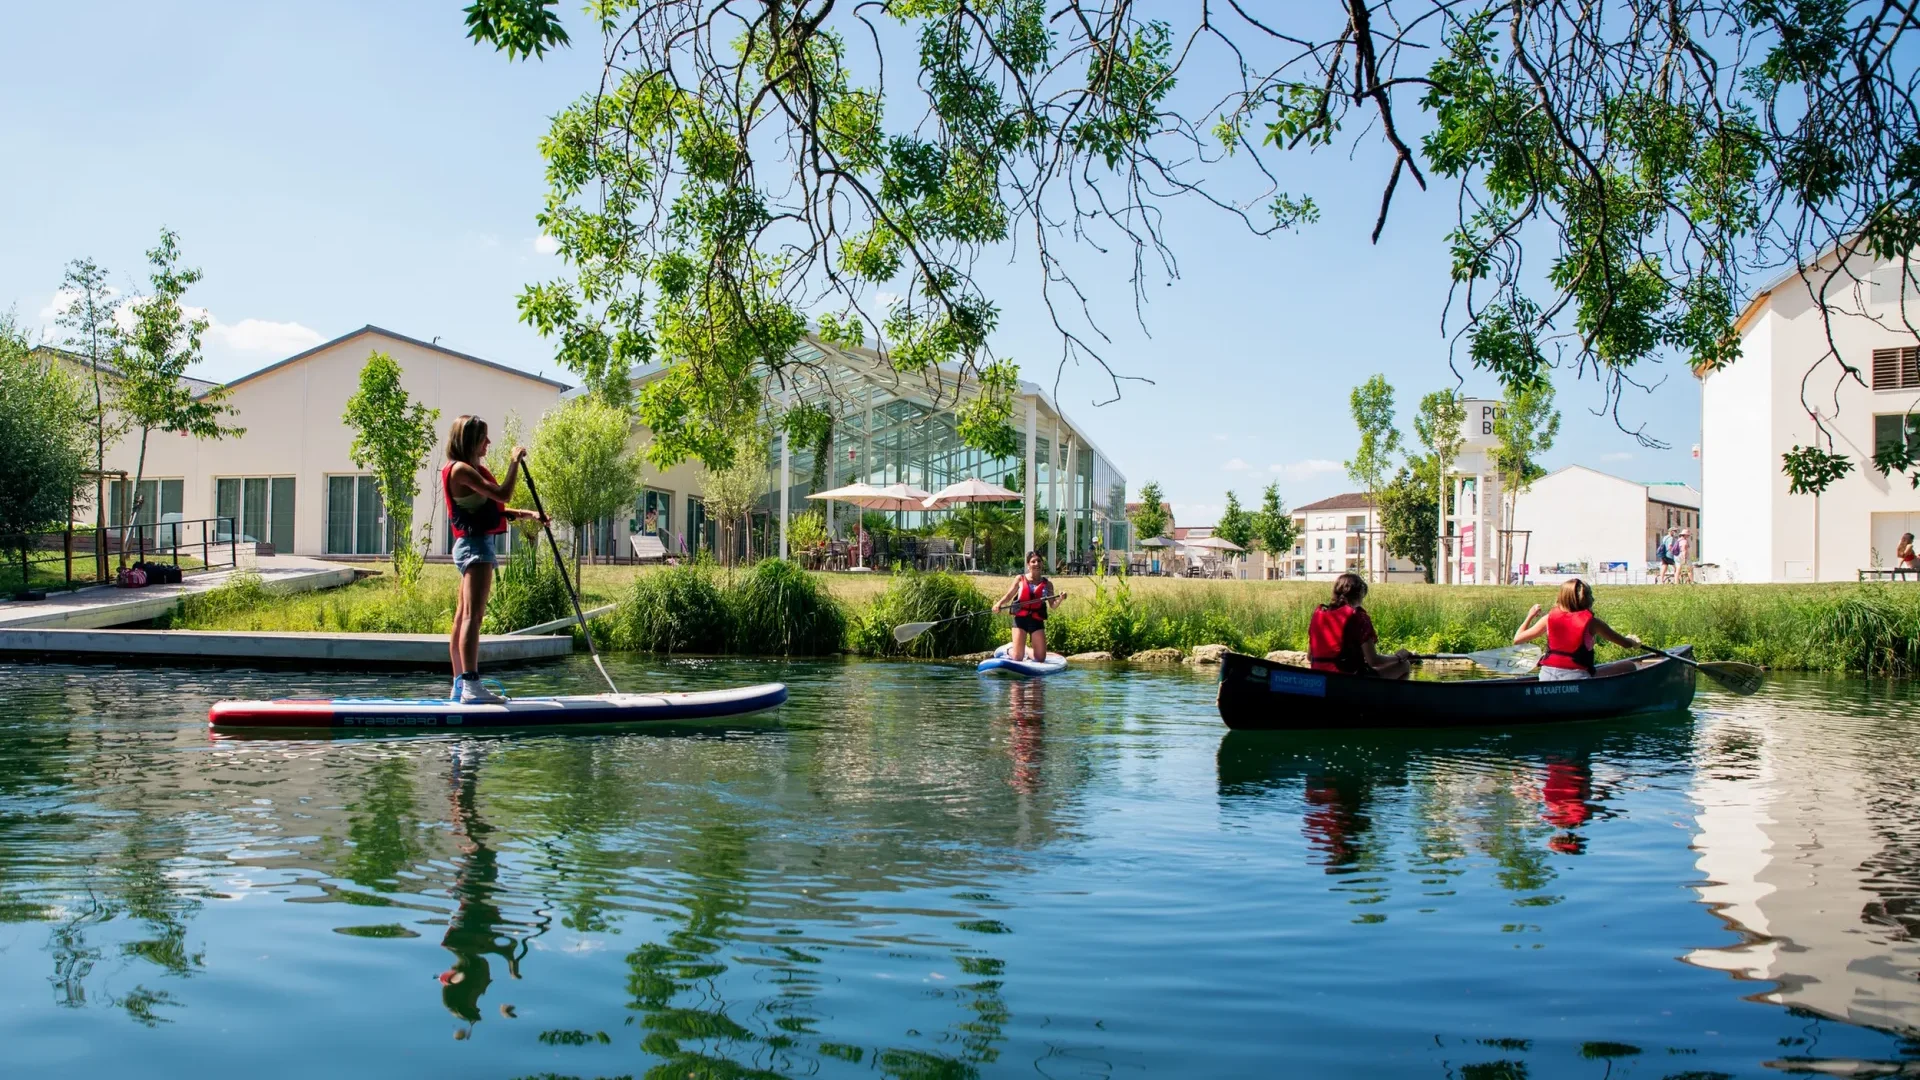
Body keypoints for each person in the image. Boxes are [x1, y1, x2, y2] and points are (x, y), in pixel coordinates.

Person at [443, 415, 547, 704]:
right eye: (484, 438)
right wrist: (514, 461)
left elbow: (491, 507)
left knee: (463, 617)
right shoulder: (461, 470)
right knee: (472, 618)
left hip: (471, 545)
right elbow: (503, 491)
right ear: (469, 440)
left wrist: (530, 515)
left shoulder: (466, 470)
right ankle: (471, 687)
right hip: (475, 548)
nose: (488, 442)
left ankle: (459, 686)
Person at [1513, 577, 1646, 681]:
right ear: (1587, 599)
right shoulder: (1593, 623)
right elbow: (1625, 643)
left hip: (1546, 677)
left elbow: (1517, 639)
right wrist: (1632, 641)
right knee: (1628, 665)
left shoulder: (1548, 618)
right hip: (1576, 679)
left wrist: (1530, 616)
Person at [1307, 572, 1411, 680]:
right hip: (1347, 680)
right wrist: (1398, 657)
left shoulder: (1318, 616)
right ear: (1360, 594)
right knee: (1405, 665)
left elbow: (1310, 657)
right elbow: (1373, 661)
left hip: (1318, 678)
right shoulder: (1359, 617)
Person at [993, 550, 1063, 661]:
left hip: (1036, 620)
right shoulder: (1020, 579)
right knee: (1017, 657)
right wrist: (998, 604)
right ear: (1028, 565)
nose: (1036, 564)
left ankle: (1024, 649)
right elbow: (1009, 595)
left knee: (1040, 658)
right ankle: (1008, 649)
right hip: (1021, 619)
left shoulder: (1048, 584)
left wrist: (1060, 599)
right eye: (1033, 561)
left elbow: (1053, 606)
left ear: (1042, 564)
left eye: (1039, 561)